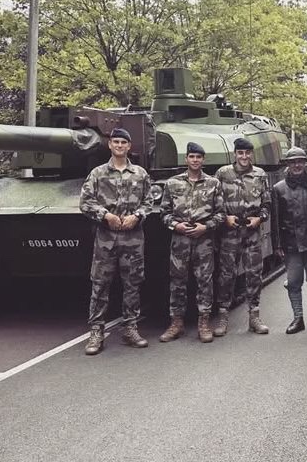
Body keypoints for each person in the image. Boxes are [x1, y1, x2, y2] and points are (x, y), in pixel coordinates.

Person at [79, 128, 153, 356]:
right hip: (106, 238)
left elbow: (149, 201)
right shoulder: (98, 173)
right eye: (116, 142)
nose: (120, 145)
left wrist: (137, 216)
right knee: (100, 284)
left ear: (129, 146)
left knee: (132, 285)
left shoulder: (140, 174)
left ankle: (130, 328)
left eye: (123, 142)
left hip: (133, 238)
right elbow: (85, 202)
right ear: (110, 145)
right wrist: (105, 215)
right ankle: (96, 331)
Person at [159, 141, 225, 343]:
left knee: (205, 281)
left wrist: (206, 227)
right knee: (177, 282)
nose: (195, 160)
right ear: (186, 159)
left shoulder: (213, 184)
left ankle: (203, 322)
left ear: (203, 160)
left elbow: (221, 214)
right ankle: (176, 323)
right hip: (180, 240)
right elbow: (164, 212)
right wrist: (175, 225)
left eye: (198, 157)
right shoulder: (172, 183)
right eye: (192, 157)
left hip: (203, 240)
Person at [214, 137, 272, 336]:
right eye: (240, 153)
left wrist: (260, 219)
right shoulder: (223, 174)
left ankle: (254, 317)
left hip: (251, 232)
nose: (244, 156)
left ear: (251, 154)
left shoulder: (260, 174)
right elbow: (215, 201)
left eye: (247, 153)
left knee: (254, 274)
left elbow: (266, 203)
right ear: (235, 154)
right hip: (229, 232)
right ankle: (223, 317)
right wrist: (225, 217)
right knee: (226, 276)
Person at [273, 147, 307, 336]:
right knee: (293, 283)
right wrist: (277, 244)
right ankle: (298, 319)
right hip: (291, 245)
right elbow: (276, 219)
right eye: (293, 162)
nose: (296, 165)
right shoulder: (279, 188)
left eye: (300, 161)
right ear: (288, 164)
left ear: (305, 163)